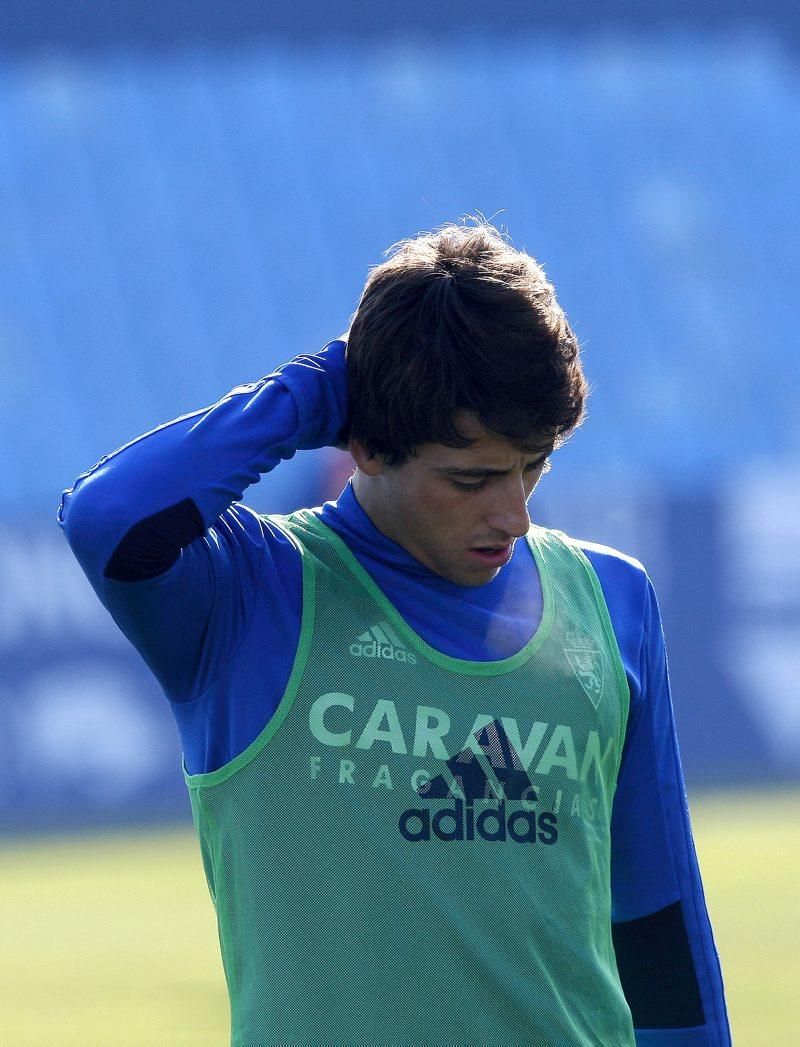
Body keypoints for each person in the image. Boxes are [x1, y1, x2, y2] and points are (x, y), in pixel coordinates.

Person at [59, 221, 730, 1046]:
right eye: (472, 478)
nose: (514, 513)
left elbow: (658, 924)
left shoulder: (614, 600)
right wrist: (319, 389)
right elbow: (105, 515)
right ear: (367, 445)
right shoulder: (248, 597)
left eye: (534, 466)